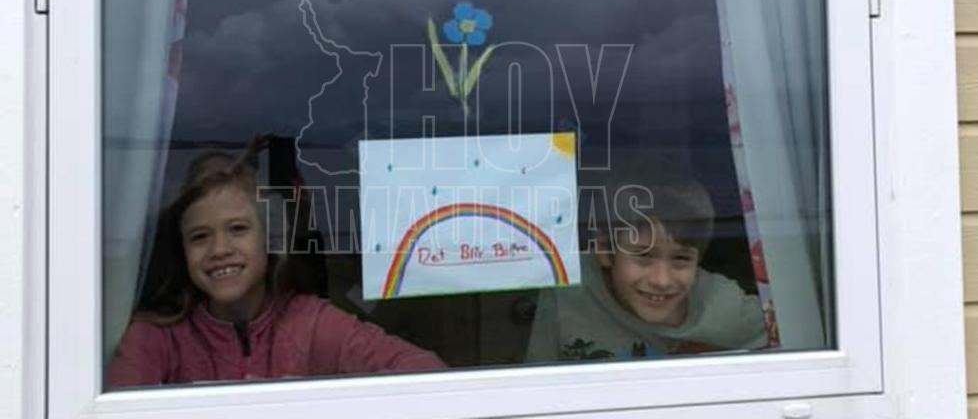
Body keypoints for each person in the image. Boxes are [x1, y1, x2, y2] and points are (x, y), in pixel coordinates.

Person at [106, 145, 444, 388]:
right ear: (182, 250)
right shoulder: (158, 337)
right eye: (199, 237)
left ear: (268, 238)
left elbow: (426, 373)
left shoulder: (311, 323)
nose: (219, 249)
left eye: (238, 229)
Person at [526, 179, 767, 362]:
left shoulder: (724, 305)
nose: (662, 280)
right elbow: (537, 381)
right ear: (605, 250)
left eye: (681, 259)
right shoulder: (569, 291)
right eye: (643, 257)